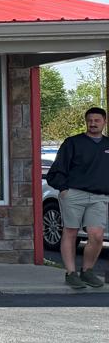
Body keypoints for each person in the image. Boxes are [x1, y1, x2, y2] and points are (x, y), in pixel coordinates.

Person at [46, 106, 109, 289]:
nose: (93, 123)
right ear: (86, 122)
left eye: (97, 120)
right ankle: (71, 273)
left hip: (99, 197)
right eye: (90, 120)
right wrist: (64, 189)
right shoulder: (72, 143)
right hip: (74, 194)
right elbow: (56, 171)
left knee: (96, 236)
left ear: (104, 122)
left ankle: (87, 271)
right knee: (70, 232)